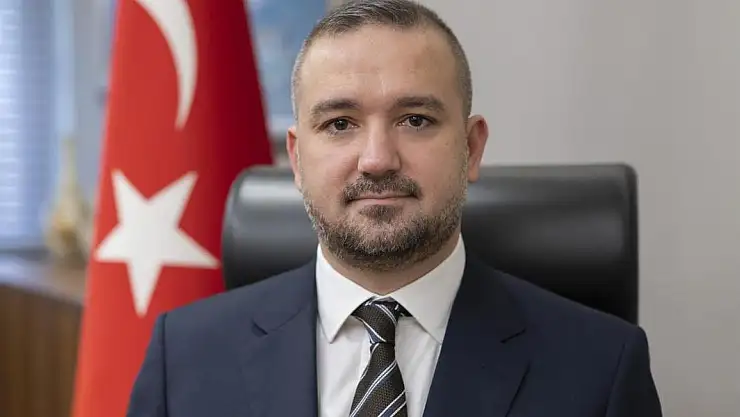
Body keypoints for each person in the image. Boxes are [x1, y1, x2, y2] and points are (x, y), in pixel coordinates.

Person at [127, 0, 663, 416]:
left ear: (471, 148)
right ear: (297, 158)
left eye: (415, 120)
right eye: (340, 123)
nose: (377, 159)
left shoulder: (600, 369)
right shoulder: (186, 358)